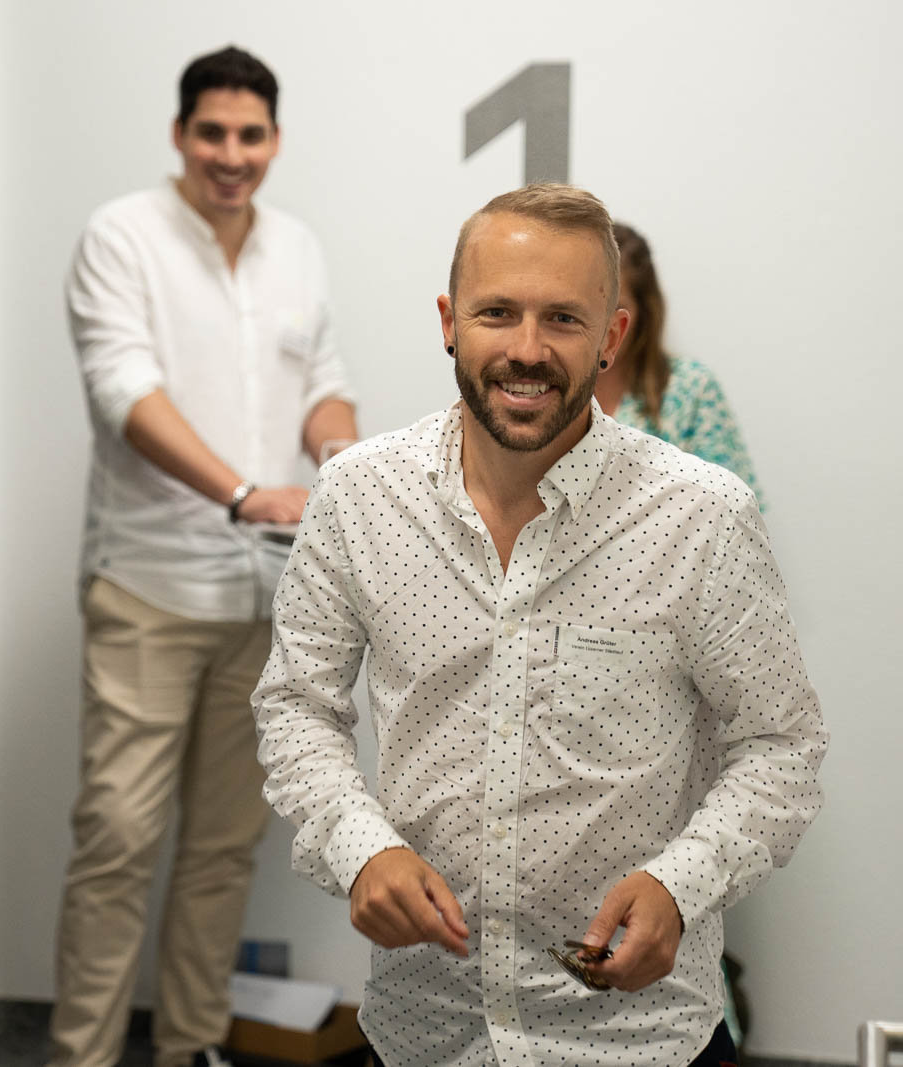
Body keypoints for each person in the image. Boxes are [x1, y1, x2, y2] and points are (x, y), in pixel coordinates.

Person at [252, 184, 825, 1067]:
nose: (527, 349)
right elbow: (296, 705)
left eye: (562, 317)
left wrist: (682, 883)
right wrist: (360, 849)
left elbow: (781, 743)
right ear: (449, 322)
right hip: (427, 1030)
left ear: (612, 335)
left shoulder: (701, 516)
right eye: (497, 312)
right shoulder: (359, 496)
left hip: (638, 1037)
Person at [51, 45, 357, 1067]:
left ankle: (188, 1046)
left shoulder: (297, 248)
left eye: (250, 136)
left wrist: (340, 457)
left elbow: (323, 381)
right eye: (213, 133)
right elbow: (123, 392)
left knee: (225, 849)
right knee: (116, 841)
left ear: (275, 140)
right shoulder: (122, 236)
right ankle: (83, 1056)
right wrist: (241, 492)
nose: (232, 155)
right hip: (149, 587)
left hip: (266, 598)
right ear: (181, 134)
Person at [597, 222, 761, 501]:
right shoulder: (544, 385)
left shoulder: (690, 388)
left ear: (643, 312)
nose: (602, 327)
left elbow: (734, 507)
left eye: (615, 308)